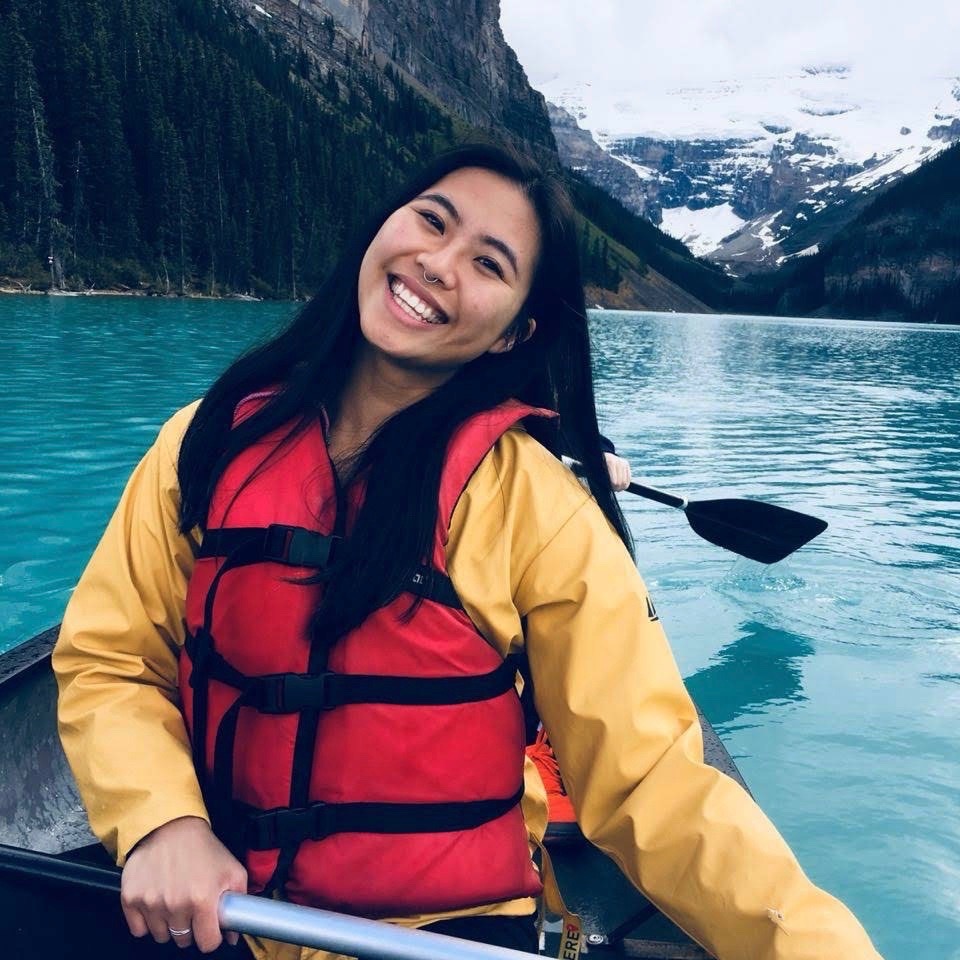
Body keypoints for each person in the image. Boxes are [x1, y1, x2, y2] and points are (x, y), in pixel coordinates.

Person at [53, 142, 882, 960]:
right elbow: (111, 659)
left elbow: (651, 783)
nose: (438, 263)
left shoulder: (538, 509)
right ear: (385, 226)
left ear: (514, 332)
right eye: (430, 220)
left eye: (488, 263)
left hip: (449, 935)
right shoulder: (205, 442)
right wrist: (164, 820)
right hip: (214, 908)